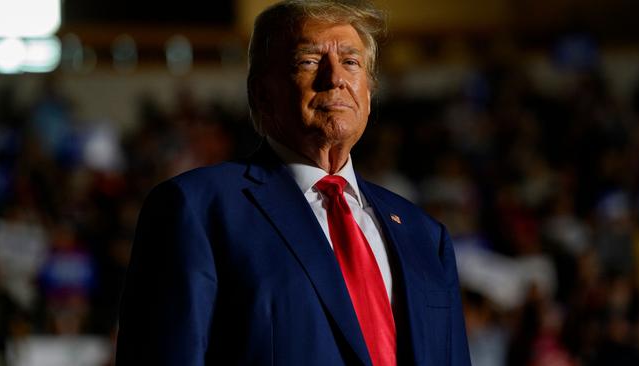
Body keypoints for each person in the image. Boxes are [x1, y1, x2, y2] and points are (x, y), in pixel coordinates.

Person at [115, 0, 471, 365]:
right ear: (261, 93)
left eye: (351, 62)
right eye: (309, 61)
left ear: (368, 93)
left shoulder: (425, 235)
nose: (335, 78)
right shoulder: (197, 209)